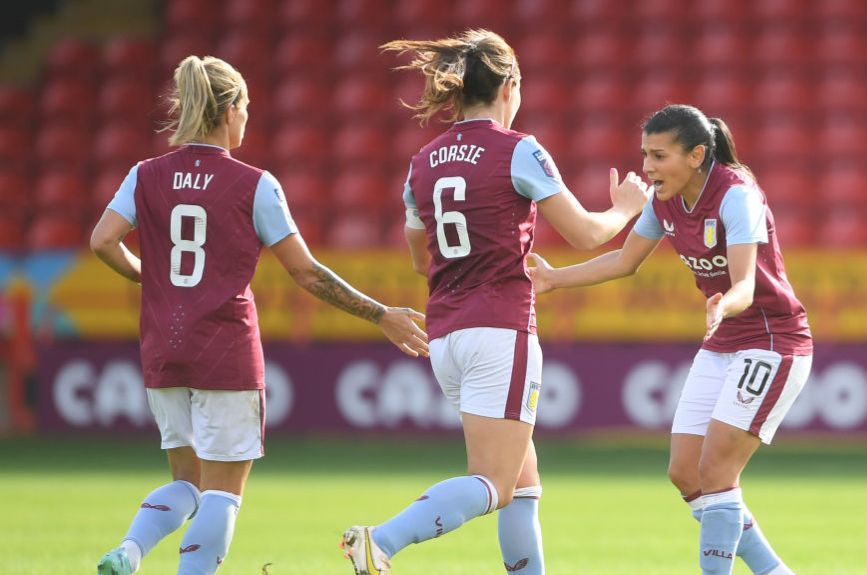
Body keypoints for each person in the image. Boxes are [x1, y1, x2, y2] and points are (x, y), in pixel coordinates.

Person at [90, 55, 429, 575]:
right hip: (224, 349)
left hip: (163, 345)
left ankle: (130, 551)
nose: (248, 117)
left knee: (186, 483)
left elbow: (102, 241)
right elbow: (307, 273)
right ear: (228, 110)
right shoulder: (255, 184)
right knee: (224, 492)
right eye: (246, 107)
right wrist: (381, 313)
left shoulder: (144, 175)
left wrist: (148, 274)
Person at [339, 29, 650, 575]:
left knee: (523, 483)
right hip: (500, 329)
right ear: (510, 86)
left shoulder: (424, 162)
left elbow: (420, 260)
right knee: (494, 483)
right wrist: (625, 208)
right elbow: (584, 233)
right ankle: (381, 541)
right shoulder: (518, 149)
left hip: (446, 335)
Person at [530, 104, 812, 575]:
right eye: (645, 154)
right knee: (685, 472)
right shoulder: (664, 202)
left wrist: (723, 305)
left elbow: (743, 284)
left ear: (697, 154)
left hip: (771, 339)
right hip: (724, 341)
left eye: (659, 156)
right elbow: (624, 260)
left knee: (718, 474)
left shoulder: (736, 197)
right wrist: (556, 279)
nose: (647, 168)